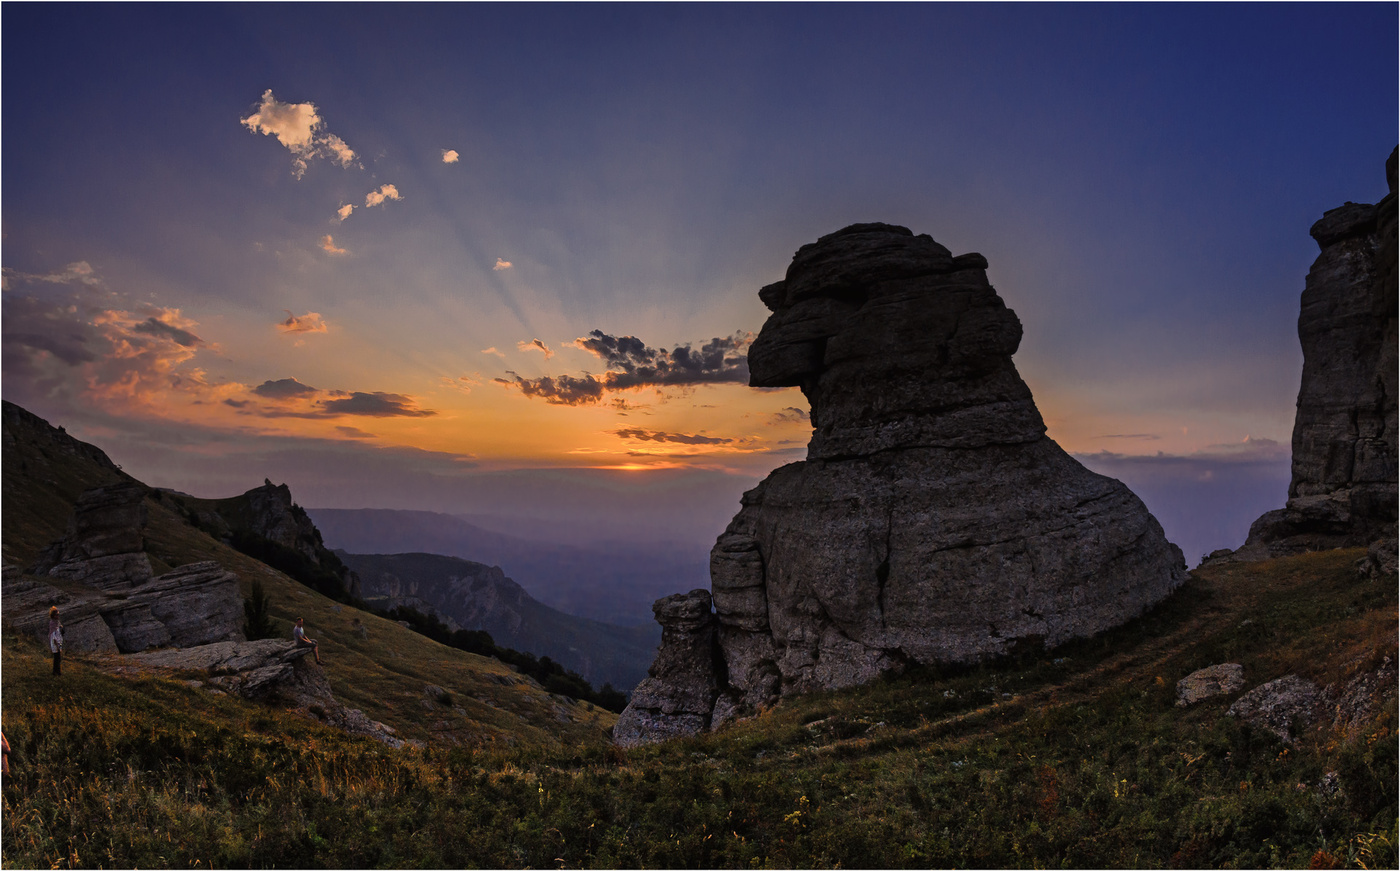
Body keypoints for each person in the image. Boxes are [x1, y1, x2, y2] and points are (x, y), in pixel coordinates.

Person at [48, 606, 64, 676]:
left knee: (58, 658)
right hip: (55, 642)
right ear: (53, 615)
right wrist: (57, 646)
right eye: (57, 615)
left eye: (58, 614)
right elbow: (53, 635)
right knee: (57, 658)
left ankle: (57, 671)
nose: (58, 616)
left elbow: (59, 628)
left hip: (57, 640)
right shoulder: (52, 623)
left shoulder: (56, 622)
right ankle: (56, 672)